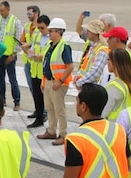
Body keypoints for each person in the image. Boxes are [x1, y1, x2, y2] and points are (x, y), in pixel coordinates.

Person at [38, 17, 74, 146]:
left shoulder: (64, 47)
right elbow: (46, 64)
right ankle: (51, 130)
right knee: (49, 108)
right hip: (48, 82)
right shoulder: (49, 45)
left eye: (51, 31)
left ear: (59, 32)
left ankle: (63, 134)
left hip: (58, 83)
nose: (49, 33)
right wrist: (44, 82)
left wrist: (60, 81)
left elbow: (70, 66)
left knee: (60, 110)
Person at [0, 1, 22, 111]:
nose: (1, 13)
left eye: (3, 11)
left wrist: (14, 54)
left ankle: (17, 101)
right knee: (0, 78)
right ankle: (2, 99)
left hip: (9, 55)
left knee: (12, 79)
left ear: (8, 10)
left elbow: (18, 39)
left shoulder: (15, 22)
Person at [22, 14, 47, 128]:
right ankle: (39, 118)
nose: (40, 30)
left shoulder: (51, 38)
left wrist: (39, 56)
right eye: (39, 28)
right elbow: (31, 51)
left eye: (42, 28)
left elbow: (48, 54)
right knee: (37, 97)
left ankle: (44, 116)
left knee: (46, 98)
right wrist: (27, 52)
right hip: (35, 71)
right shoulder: (37, 36)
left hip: (44, 73)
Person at [103, 48, 131, 121]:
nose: (107, 62)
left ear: (115, 63)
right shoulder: (129, 82)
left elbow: (104, 111)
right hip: (128, 123)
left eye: (108, 59)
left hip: (113, 126)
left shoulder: (115, 85)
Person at [74, 19, 110, 88]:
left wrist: (80, 82)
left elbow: (96, 71)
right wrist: (77, 76)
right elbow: (84, 66)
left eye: (89, 31)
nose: (87, 32)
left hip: (93, 88)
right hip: (87, 86)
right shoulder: (93, 47)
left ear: (95, 33)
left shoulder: (102, 50)